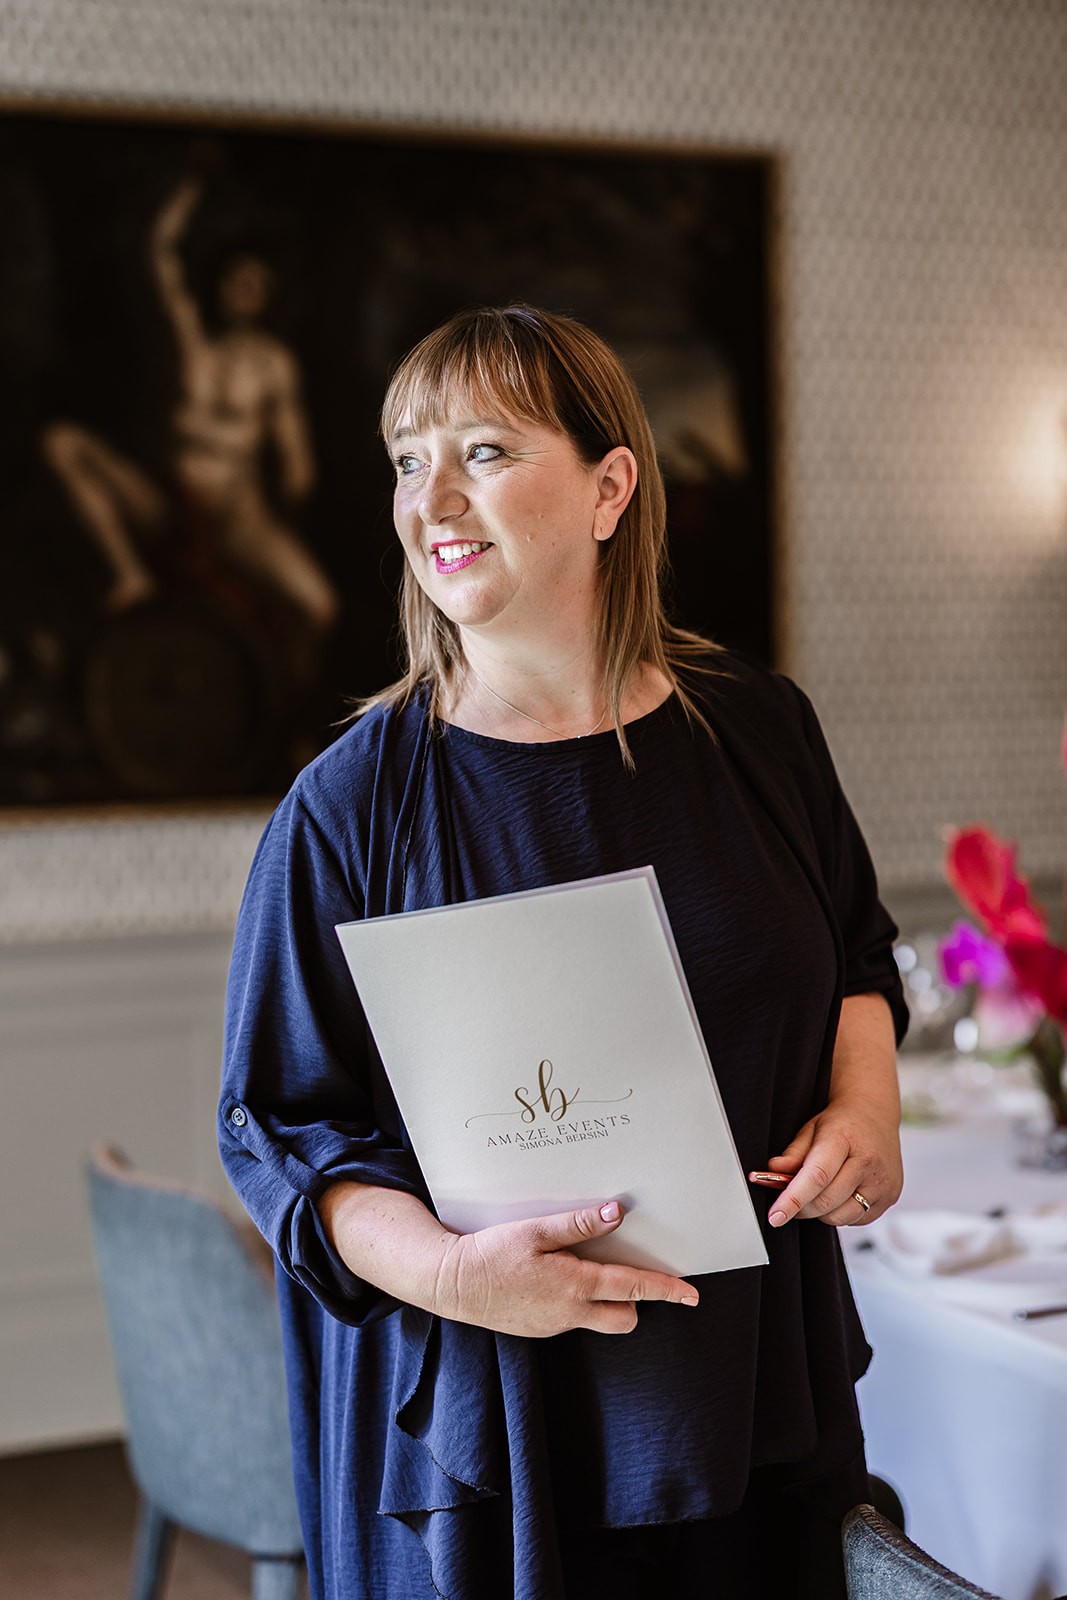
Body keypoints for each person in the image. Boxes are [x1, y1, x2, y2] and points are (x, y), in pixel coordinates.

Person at [219, 304, 907, 1600]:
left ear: (608, 488)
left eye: (479, 450)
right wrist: (450, 1273)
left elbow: (856, 961)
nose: (431, 494)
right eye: (404, 460)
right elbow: (278, 1129)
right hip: (492, 1414)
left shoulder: (757, 731)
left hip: (751, 1380)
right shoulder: (346, 805)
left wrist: (864, 1104)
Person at [42, 171, 338, 633]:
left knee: (319, 605)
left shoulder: (274, 365)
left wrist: (285, 519)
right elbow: (159, 257)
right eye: (236, 278)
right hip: (169, 506)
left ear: (269, 295)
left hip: (238, 518)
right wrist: (191, 185)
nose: (243, 290)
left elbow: (299, 468)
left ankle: (278, 693)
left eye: (255, 284)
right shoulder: (190, 343)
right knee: (63, 443)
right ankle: (131, 575)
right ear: (219, 282)